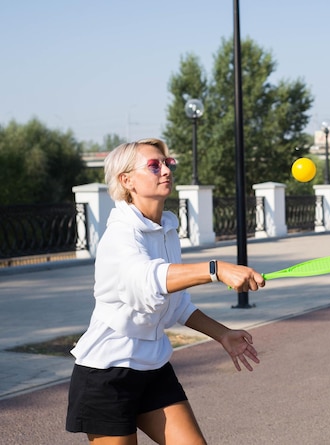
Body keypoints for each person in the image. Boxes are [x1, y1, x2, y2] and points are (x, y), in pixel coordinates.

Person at [66, 138, 265, 445]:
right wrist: (215, 268)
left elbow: (176, 304)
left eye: (167, 163)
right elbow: (148, 279)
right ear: (126, 180)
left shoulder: (166, 231)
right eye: (154, 165)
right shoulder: (120, 235)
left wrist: (222, 334)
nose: (166, 170)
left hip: (154, 366)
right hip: (107, 373)